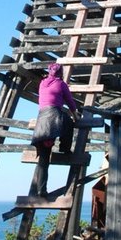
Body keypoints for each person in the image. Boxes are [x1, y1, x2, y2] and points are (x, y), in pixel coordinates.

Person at [30, 63, 78, 197]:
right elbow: (70, 102)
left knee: (43, 160)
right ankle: (65, 148)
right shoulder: (61, 84)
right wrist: (76, 116)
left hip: (41, 121)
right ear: (60, 72)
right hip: (53, 117)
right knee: (68, 122)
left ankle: (41, 191)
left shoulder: (43, 83)